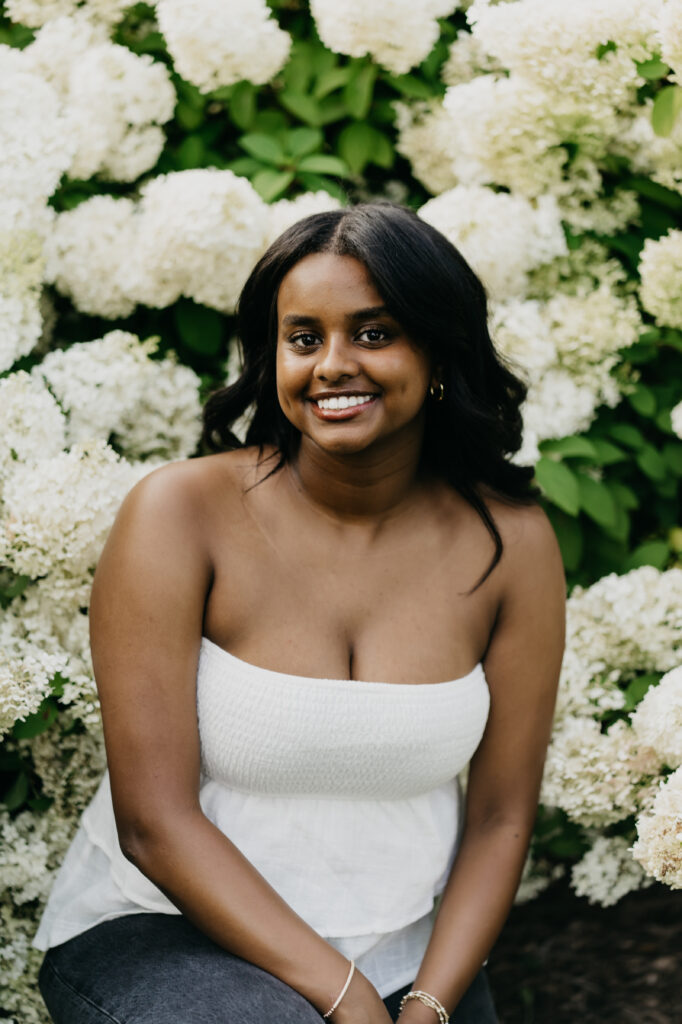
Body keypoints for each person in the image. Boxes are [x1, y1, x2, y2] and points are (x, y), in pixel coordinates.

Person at [35, 202, 566, 1024]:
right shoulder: (180, 514)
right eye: (304, 338)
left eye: (374, 333)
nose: (332, 365)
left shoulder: (513, 543)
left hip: (402, 953)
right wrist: (347, 1003)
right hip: (168, 935)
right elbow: (155, 822)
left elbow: (500, 817)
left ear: (438, 353)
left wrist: (426, 1004)